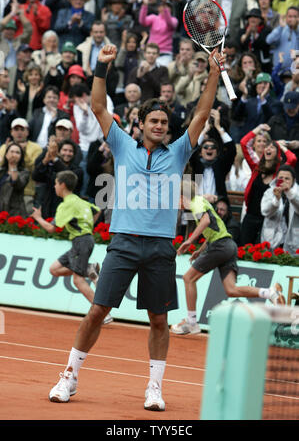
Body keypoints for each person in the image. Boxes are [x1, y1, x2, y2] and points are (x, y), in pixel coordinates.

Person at [47, 43, 225, 410]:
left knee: (158, 320)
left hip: (160, 248)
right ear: (140, 125)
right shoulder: (122, 144)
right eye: (153, 122)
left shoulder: (178, 151)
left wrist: (213, 72)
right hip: (124, 243)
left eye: (164, 123)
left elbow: (203, 113)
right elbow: (98, 106)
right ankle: (69, 376)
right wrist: (101, 66)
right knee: (97, 310)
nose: (160, 126)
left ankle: (154, 388)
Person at [170, 180, 285, 336]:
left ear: (183, 196)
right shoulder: (201, 201)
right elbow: (214, 227)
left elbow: (206, 221)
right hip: (228, 246)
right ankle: (270, 293)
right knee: (231, 290)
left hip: (220, 246)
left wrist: (190, 241)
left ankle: (191, 322)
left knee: (188, 278)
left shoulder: (196, 203)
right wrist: (201, 250)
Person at [30, 170, 111, 313]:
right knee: (54, 269)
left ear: (62, 185)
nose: (54, 187)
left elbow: (51, 228)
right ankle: (89, 268)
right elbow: (97, 210)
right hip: (82, 241)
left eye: (55, 184)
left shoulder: (66, 205)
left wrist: (38, 218)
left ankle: (102, 313)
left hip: (81, 242)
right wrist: (88, 226)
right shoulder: (80, 201)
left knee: (77, 280)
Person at [240, 124, 297, 245]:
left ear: (278, 153)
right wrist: (258, 128)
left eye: (272, 147)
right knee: (242, 251)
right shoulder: (256, 168)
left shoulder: (279, 173)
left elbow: (292, 159)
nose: (267, 149)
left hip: (269, 220)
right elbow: (244, 143)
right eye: (267, 147)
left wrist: (281, 145)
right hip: (250, 216)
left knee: (263, 255)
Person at [32, 137, 84, 218]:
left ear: (74, 154)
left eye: (70, 151)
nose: (67, 153)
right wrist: (45, 160)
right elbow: (36, 176)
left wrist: (54, 159)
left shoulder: (78, 170)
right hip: (48, 207)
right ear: (59, 152)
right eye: (64, 150)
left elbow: (68, 176)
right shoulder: (51, 167)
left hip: (68, 210)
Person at [0, 117, 42, 215]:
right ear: (11, 132)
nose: (19, 132)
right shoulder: (4, 147)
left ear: (27, 132)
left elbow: (34, 170)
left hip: (26, 193)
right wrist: (6, 152)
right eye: (16, 129)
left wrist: (23, 154)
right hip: (3, 193)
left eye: (22, 129)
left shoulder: (36, 148)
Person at [260, 164, 299, 255]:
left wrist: (289, 193)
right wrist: (276, 200)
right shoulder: (269, 192)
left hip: (293, 241)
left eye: (287, 178)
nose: (283, 181)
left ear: (293, 180)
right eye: (281, 178)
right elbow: (265, 211)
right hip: (272, 240)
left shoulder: (297, 193)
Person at [138, 0, 178, 67]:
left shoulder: (174, 20)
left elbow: (169, 23)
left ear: (171, 9)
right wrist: (145, 5)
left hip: (165, 55)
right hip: (151, 53)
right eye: (162, 6)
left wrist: (165, 7)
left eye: (167, 6)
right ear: (158, 8)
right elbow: (142, 21)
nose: (164, 8)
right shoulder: (154, 18)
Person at [0, 141, 29, 216]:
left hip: (15, 212)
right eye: (11, 151)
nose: (14, 154)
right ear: (6, 154)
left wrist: (13, 166)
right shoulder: (2, 171)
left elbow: (17, 184)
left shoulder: (24, 172)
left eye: (17, 152)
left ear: (21, 156)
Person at [266, 6, 299, 71]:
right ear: (286, 17)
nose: (292, 19)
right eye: (290, 16)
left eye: (295, 17)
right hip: (279, 70)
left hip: (296, 71)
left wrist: (295, 28)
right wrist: (280, 27)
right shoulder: (281, 29)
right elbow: (268, 40)